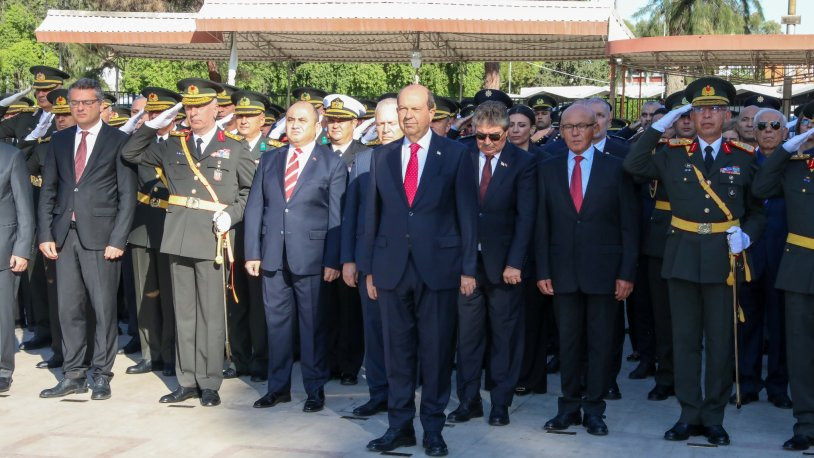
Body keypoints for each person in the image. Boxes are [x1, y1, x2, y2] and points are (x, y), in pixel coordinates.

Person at [624, 77, 766, 446]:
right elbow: (633, 164)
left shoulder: (744, 157)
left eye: (715, 109)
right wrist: (658, 124)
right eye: (700, 109)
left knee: (720, 342)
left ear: (726, 116)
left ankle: (713, 416)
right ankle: (688, 414)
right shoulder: (671, 152)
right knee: (685, 340)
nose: (707, 116)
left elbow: (757, 208)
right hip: (683, 255)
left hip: (723, 258)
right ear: (691, 113)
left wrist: (747, 234)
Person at [121, 78, 255, 407]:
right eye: (188, 106)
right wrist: (155, 122)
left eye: (198, 106)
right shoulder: (172, 145)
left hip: (212, 237)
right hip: (178, 236)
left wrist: (233, 214)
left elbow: (250, 191)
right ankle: (187, 379)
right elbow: (130, 152)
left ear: (215, 108)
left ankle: (209, 381)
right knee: (183, 313)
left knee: (210, 313)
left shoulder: (234, 148)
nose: (193, 112)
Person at [361, 84, 477, 457]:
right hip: (392, 269)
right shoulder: (382, 157)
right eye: (401, 109)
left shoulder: (456, 154)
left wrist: (467, 268)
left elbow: (466, 215)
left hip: (440, 270)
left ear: (431, 113)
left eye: (414, 109)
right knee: (397, 354)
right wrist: (370, 270)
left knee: (437, 353)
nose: (407, 116)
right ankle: (399, 428)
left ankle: (433, 428)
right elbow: (372, 218)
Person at [536, 104, 638, 436]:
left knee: (601, 343)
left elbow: (629, 227)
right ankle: (567, 407)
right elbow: (542, 226)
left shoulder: (617, 168)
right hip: (562, 272)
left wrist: (626, 273)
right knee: (567, 343)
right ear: (560, 131)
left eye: (582, 126)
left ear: (595, 128)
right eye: (568, 127)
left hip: (605, 273)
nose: (576, 132)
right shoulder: (548, 168)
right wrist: (542, 270)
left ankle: (594, 409)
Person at [38, 78, 137, 401]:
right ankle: (73, 373)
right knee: (68, 309)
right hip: (64, 236)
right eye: (75, 103)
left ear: (99, 105)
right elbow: (49, 191)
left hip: (102, 238)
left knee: (104, 308)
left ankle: (101, 373)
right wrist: (45, 233)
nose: (79, 108)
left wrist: (119, 238)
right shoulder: (60, 140)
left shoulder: (118, 140)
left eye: (86, 103)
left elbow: (127, 195)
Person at [244, 100, 345, 412]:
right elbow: (255, 207)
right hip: (273, 256)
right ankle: (278, 388)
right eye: (290, 119)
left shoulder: (331, 162)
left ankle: (315, 390)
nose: (295, 125)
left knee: (313, 327)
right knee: (277, 325)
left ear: (317, 125)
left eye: (303, 120)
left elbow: (336, 217)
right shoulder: (270, 158)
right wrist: (253, 251)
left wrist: (333, 260)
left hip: (313, 259)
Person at [447, 101, 535, 427]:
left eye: (493, 137)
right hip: (468, 265)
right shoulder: (463, 156)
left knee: (504, 337)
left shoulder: (523, 162)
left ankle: (500, 403)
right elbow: (456, 213)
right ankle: (468, 402)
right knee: (468, 339)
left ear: (507, 132)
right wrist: (464, 268)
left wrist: (515, 263)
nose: (485, 143)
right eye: (480, 136)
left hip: (504, 268)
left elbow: (526, 218)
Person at [752, 123, 814, 451]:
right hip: (801, 267)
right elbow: (761, 188)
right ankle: (806, 423)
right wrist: (787, 150)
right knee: (801, 353)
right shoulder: (796, 165)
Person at [341, 97, 400, 418]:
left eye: (391, 122)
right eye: (380, 123)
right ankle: (379, 393)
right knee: (374, 332)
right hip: (370, 264)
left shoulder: (415, 159)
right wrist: (349, 259)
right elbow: (352, 214)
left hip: (408, 264)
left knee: (405, 334)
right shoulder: (364, 161)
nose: (386, 129)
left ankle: (405, 392)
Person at [733, 107, 791, 409]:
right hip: (750, 252)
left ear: (784, 133)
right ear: (754, 132)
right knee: (748, 320)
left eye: (775, 126)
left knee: (780, 323)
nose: (768, 130)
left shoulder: (795, 164)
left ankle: (778, 385)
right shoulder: (742, 162)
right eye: (762, 126)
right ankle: (748, 382)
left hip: (784, 254)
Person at [124, 87, 182, 377]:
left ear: (174, 115)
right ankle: (150, 353)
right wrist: (147, 127)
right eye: (151, 112)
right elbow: (128, 153)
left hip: (172, 224)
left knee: (171, 296)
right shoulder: (141, 142)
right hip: (143, 226)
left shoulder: (183, 142)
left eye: (161, 113)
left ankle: (171, 354)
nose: (155, 117)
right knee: (145, 296)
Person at [222, 90, 272, 382]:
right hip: (231, 234)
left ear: (262, 120)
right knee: (234, 299)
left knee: (258, 302)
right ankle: (239, 357)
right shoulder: (226, 147)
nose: (243, 120)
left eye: (249, 116)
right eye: (239, 115)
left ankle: (261, 359)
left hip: (257, 236)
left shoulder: (273, 149)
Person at [322, 94, 369, 385]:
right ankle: (328, 362)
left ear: (356, 123)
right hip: (320, 242)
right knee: (324, 309)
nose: (335, 125)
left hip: (350, 241)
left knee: (349, 309)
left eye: (342, 120)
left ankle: (350, 365)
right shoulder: (317, 152)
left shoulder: (364, 155)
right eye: (331, 120)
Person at [0, 141, 35, 393]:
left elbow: (24, 207)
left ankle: (3, 369)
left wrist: (22, 249)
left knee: (2, 314)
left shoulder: (11, 156)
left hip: (3, 248)